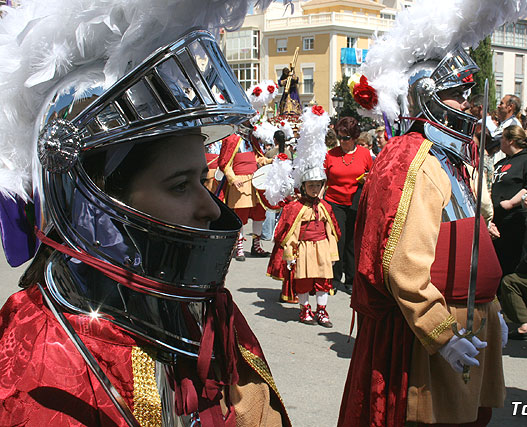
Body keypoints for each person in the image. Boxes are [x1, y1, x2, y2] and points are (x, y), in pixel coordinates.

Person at [0, 1, 290, 424]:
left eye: (203, 179)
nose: (211, 208)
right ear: (95, 205)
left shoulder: (204, 310)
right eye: (178, 185)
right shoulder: (42, 360)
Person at [336, 0, 527, 422]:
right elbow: (404, 263)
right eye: (455, 95)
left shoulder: (449, 156)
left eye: (465, 95)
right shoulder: (416, 159)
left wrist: (491, 308)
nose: (466, 104)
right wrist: (440, 333)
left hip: (469, 318)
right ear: (428, 97)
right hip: (433, 330)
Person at [267, 169, 340, 327]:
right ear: (303, 186)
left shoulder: (325, 207)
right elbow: (290, 233)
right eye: (311, 185)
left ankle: (321, 311)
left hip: (322, 248)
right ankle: (305, 309)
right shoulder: (294, 208)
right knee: (304, 281)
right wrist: (290, 254)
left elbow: (331, 232)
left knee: (323, 281)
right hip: (304, 249)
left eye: (317, 185)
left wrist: (333, 254)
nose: (314, 188)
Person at [323, 116, 373, 294]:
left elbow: (372, 176)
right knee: (338, 240)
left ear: (354, 137)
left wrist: (367, 179)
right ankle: (335, 278)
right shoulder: (330, 154)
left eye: (346, 138)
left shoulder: (365, 154)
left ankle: (351, 279)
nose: (342, 142)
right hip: (334, 201)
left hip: (355, 202)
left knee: (352, 241)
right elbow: (324, 180)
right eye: (340, 137)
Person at [491, 125, 527, 275]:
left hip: (514, 221)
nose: (500, 141)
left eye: (502, 138)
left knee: (510, 263)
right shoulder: (500, 163)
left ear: (511, 141)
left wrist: (510, 203)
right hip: (497, 221)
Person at [219, 133, 272, 260]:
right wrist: (233, 178)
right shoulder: (231, 139)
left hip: (255, 181)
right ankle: (239, 247)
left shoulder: (252, 139)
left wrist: (270, 160)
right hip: (240, 182)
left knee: (259, 213)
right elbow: (225, 162)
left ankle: (256, 245)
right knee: (240, 214)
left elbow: (257, 159)